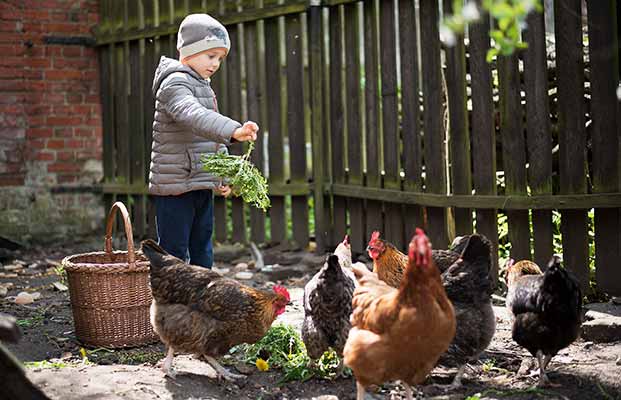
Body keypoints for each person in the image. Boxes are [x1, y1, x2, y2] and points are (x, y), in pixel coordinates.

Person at [148, 13, 258, 268]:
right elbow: (194, 116)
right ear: (188, 51)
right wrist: (234, 131)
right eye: (211, 56)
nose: (216, 63)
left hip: (200, 184)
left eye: (220, 58)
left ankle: (202, 301)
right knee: (173, 254)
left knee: (203, 250)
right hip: (175, 187)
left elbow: (210, 138)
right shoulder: (174, 83)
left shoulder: (202, 85)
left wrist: (225, 176)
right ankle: (171, 305)